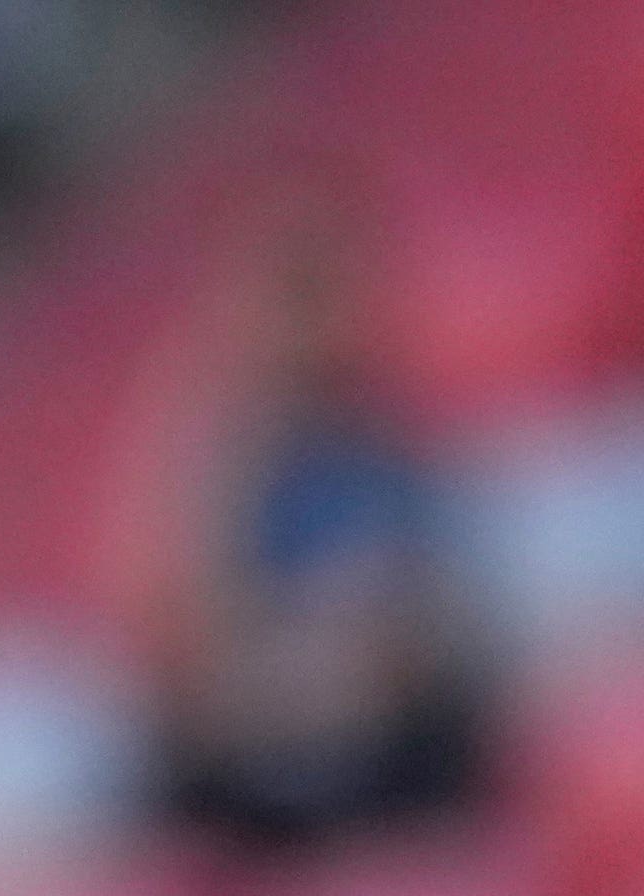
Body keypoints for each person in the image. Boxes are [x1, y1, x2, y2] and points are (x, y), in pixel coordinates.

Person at [111, 222, 485, 856]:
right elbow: (184, 648)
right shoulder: (213, 451)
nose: (312, 325)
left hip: (384, 734)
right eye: (290, 299)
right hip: (260, 752)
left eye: (326, 297)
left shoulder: (382, 435)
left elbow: (433, 615)